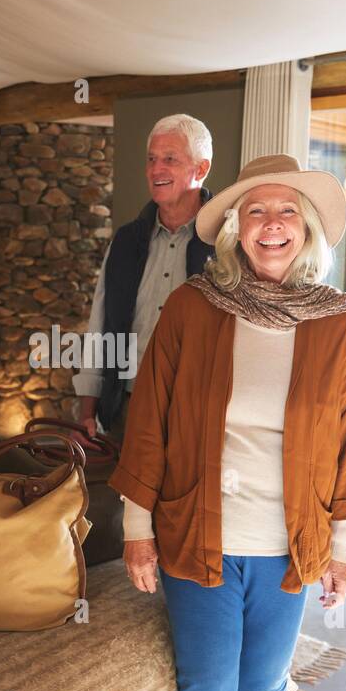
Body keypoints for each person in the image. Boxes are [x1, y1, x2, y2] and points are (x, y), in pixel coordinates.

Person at [107, 153, 346, 691]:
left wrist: (343, 549)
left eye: (288, 209)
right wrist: (136, 529)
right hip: (196, 534)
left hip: (289, 544)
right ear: (236, 225)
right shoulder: (191, 308)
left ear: (308, 227)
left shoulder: (342, 322)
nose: (272, 223)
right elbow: (149, 423)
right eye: (256, 210)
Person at [73, 114, 215, 446]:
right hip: (124, 411)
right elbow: (99, 327)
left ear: (201, 169)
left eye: (170, 159)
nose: (155, 170)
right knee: (118, 500)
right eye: (151, 159)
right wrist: (86, 412)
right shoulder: (125, 241)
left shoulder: (227, 242)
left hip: (195, 416)